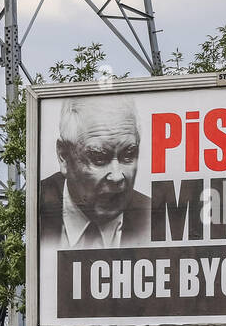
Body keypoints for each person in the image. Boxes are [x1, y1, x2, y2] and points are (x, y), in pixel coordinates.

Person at [38, 96, 151, 249]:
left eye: (128, 154)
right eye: (99, 158)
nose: (117, 176)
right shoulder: (35, 204)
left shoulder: (157, 216)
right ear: (63, 156)